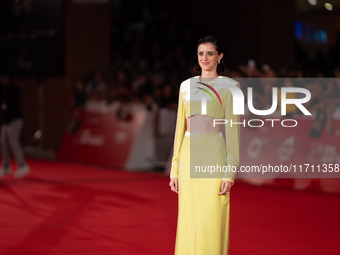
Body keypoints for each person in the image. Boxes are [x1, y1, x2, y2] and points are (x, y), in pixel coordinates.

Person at [169, 35, 240, 255]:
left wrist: (230, 173)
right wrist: (175, 168)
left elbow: (233, 133)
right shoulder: (185, 86)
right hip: (189, 155)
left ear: (220, 57)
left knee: (212, 217)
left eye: (210, 53)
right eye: (201, 53)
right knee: (189, 218)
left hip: (215, 157)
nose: (205, 57)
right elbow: (180, 129)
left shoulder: (231, 87)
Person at [0, 73, 30, 178]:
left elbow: (15, 97)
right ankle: (6, 167)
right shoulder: (2, 90)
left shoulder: (14, 89)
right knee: (3, 143)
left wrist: (7, 88)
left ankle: (22, 166)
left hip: (15, 120)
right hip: (5, 121)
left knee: (13, 142)